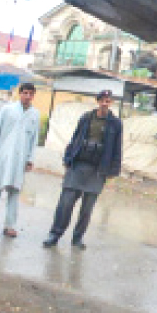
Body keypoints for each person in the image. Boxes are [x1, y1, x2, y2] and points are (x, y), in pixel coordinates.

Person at [43, 89, 122, 249]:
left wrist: (113, 171)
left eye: (108, 100)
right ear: (98, 101)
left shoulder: (116, 123)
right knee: (65, 203)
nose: (105, 103)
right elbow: (75, 138)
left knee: (87, 208)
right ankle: (55, 234)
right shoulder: (86, 118)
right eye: (102, 100)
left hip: (98, 169)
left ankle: (77, 238)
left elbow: (117, 148)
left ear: (111, 103)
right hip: (79, 164)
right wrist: (68, 158)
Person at [0, 83, 40, 237]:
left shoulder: (34, 114)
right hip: (2, 158)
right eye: (25, 93)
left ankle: (9, 226)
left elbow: (34, 139)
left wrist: (30, 159)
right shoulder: (7, 110)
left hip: (19, 161)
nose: (27, 96)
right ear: (20, 94)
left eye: (30, 94)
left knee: (14, 193)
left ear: (33, 96)